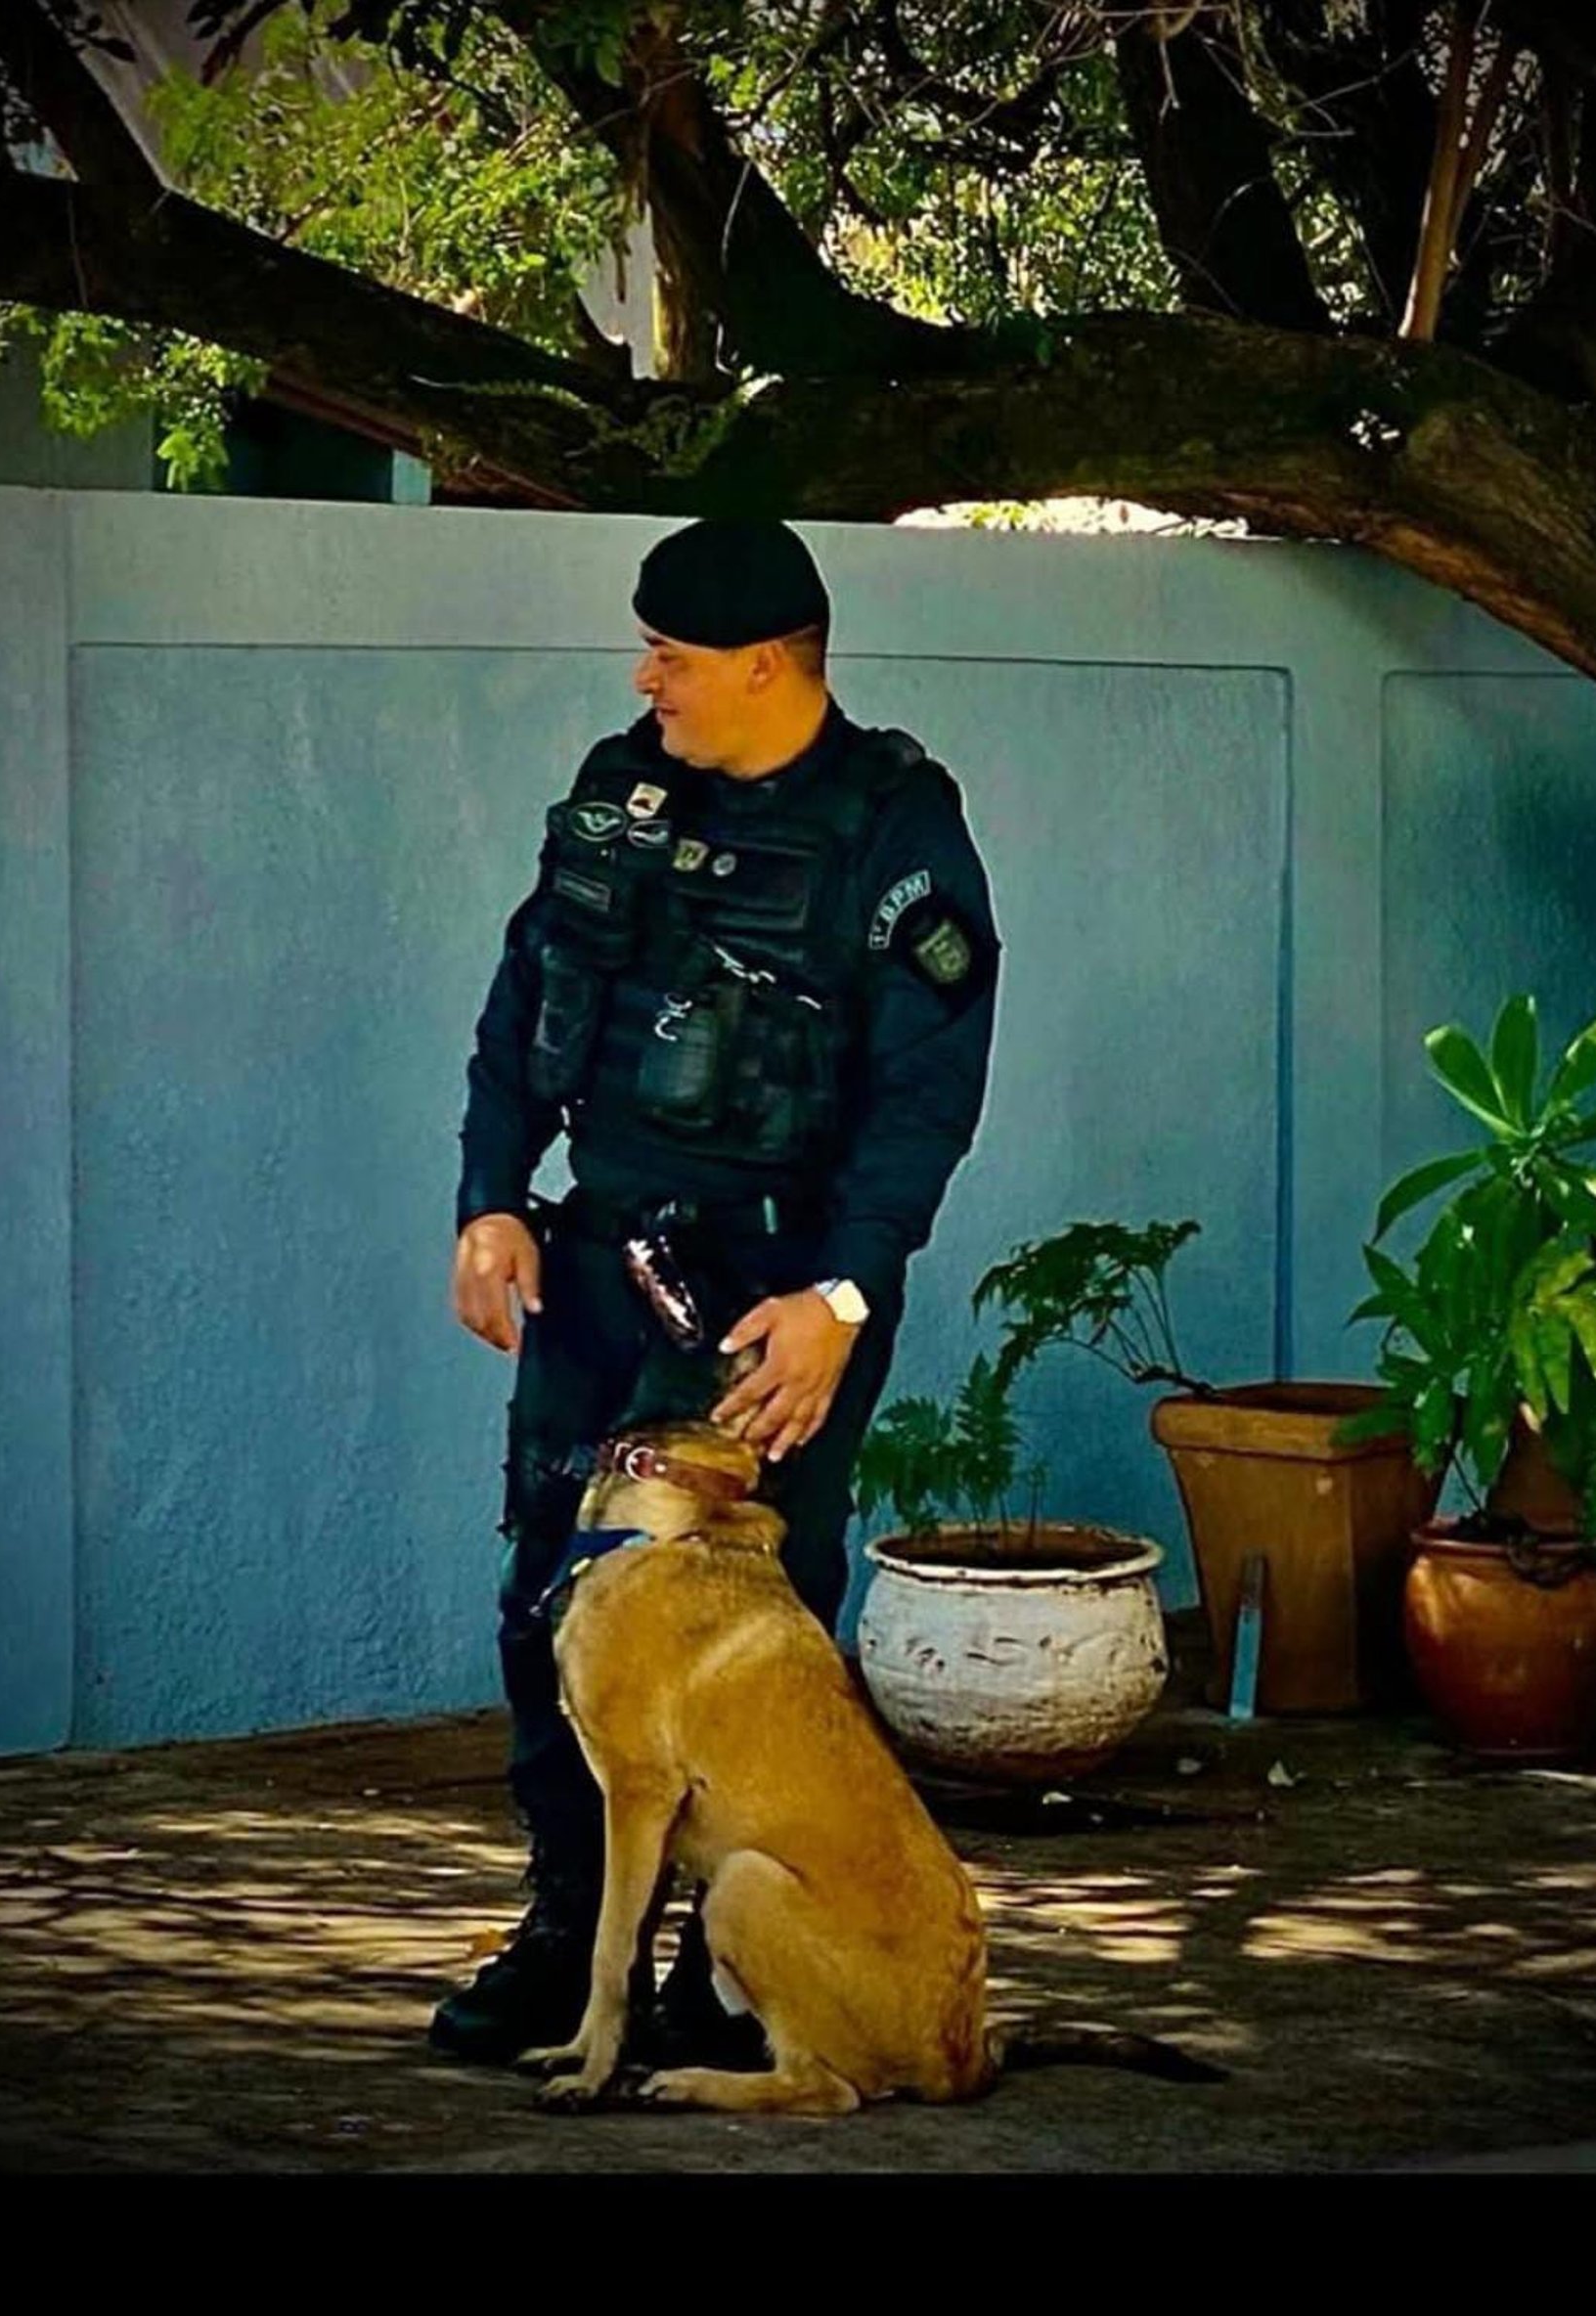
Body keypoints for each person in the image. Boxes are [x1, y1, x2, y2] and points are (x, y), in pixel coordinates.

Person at [428, 516, 1000, 2067]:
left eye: (670, 655)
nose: (645, 678)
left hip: (771, 1295)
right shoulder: (630, 792)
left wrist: (845, 1300)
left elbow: (924, 1100)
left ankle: (718, 1977)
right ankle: (567, 1934)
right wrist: (493, 1194)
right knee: (550, 1598)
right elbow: (525, 992)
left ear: (763, 663)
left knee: (751, 1632)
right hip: (600, 1259)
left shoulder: (896, 838)